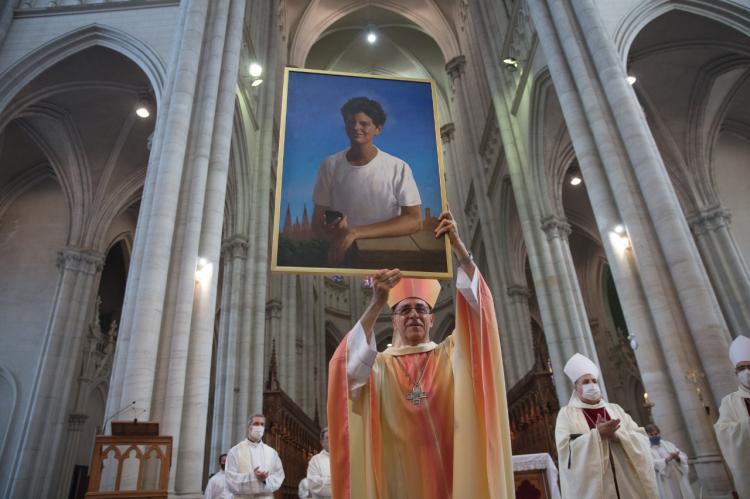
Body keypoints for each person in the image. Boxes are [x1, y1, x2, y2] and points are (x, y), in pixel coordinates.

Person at [327, 210, 514, 498]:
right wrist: (377, 303)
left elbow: (481, 319)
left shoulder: (452, 355)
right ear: (395, 320)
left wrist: (460, 251)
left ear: (432, 319)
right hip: (394, 479)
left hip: (451, 476)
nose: (413, 314)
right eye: (404, 310)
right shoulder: (376, 366)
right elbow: (344, 370)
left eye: (421, 309)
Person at [312, 96, 422, 264]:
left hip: (387, 255)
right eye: (351, 122)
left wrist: (356, 232)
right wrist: (331, 229)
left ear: (378, 129)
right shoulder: (329, 165)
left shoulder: (398, 167)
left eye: (364, 124)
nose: (356, 127)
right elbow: (317, 222)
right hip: (345, 256)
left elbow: (414, 221)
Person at [555, 353, 658, 499]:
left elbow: (641, 437)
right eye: (585, 382)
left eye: (594, 381)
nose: (591, 385)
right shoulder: (567, 414)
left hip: (626, 484)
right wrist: (597, 435)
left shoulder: (615, 409)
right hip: (596, 489)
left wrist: (617, 436)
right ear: (576, 387)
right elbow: (565, 449)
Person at [714, 335, 750, 498]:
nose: (747, 372)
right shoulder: (729, 402)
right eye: (742, 368)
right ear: (736, 372)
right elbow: (723, 431)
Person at [225, 414, 285, 498]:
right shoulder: (235, 451)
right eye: (256, 423)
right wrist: (253, 477)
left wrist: (264, 480)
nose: (259, 427)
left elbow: (279, 476)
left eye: (262, 424)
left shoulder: (272, 453)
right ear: (248, 427)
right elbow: (230, 480)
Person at [645, 424, 694, 499]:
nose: (654, 436)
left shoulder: (668, 444)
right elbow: (650, 464)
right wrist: (667, 460)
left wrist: (678, 457)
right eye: (651, 435)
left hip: (677, 476)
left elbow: (683, 456)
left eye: (656, 434)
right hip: (664, 480)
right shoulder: (647, 449)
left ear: (659, 433)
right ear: (647, 436)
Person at [306, 427, 331, 498]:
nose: (331, 440)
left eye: (333, 436)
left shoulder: (344, 458)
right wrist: (335, 481)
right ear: (322, 442)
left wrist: (325, 480)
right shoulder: (315, 460)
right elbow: (314, 484)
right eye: (327, 438)